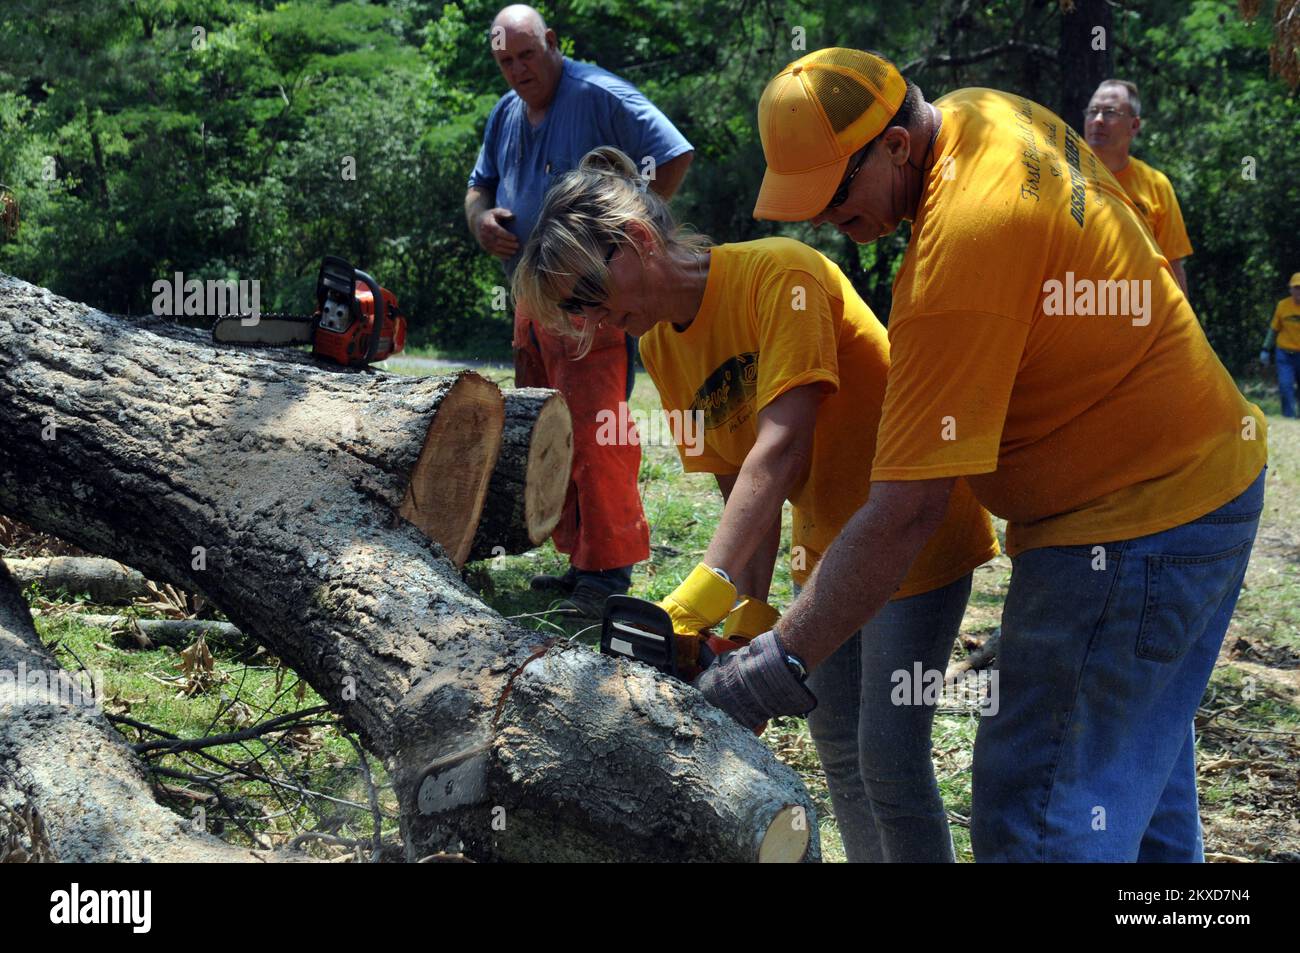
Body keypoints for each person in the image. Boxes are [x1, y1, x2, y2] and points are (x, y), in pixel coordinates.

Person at [697, 48, 1268, 863]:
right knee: (1135, 801)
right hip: (1201, 483)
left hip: (1136, 521)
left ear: (896, 145)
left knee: (1038, 813)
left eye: (834, 193)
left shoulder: (960, 249)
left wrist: (770, 668)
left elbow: (905, 512)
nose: (823, 218)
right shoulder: (985, 111)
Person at [512, 145, 999, 862]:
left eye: (587, 292)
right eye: (573, 308)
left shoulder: (780, 274)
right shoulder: (662, 350)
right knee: (838, 747)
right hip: (827, 545)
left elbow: (781, 447)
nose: (591, 316)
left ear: (638, 240)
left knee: (890, 754)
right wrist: (745, 618)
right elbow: (743, 488)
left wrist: (696, 597)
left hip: (910, 527)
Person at [465, 4, 694, 617]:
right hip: (530, 300)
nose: (517, 70)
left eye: (526, 56)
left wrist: (615, 249)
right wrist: (480, 219)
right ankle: (578, 560)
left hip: (590, 305)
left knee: (599, 431)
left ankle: (609, 571)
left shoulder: (598, 92)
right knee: (550, 430)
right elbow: (478, 185)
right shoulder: (506, 114)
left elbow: (671, 155)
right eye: (505, 61)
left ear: (553, 44)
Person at [1084, 79, 1193, 297]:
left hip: (1137, 315)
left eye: (1110, 112)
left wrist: (1185, 329)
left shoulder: (1155, 185)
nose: (1098, 120)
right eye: (1092, 111)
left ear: (1134, 126)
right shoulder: (1061, 177)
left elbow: (1172, 264)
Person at [1261, 273, 1300, 418]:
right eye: (1296, 288)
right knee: (1285, 386)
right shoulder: (1283, 306)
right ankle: (1289, 416)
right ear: (1291, 289)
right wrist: (1265, 349)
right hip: (1285, 354)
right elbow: (1273, 329)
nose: (1299, 291)